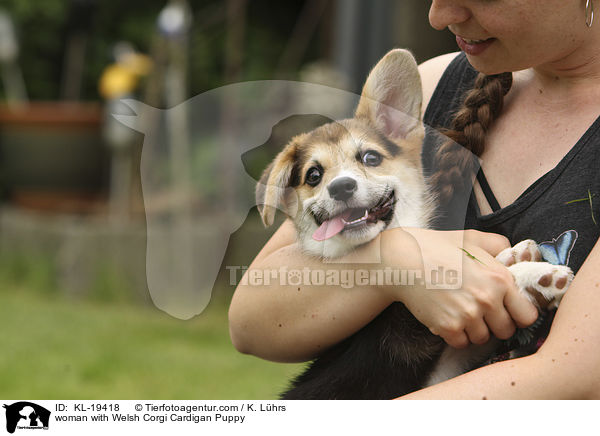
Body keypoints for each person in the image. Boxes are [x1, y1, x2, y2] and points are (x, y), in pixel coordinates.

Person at [228, 0, 600, 399]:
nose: (438, 16)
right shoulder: (434, 88)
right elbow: (251, 323)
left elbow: (571, 379)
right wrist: (394, 259)